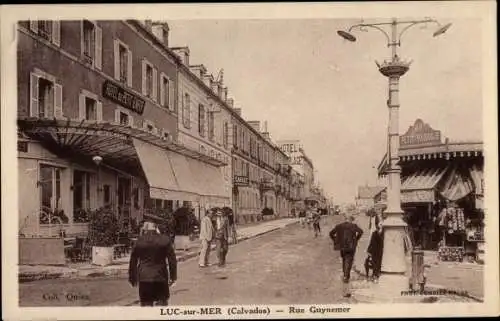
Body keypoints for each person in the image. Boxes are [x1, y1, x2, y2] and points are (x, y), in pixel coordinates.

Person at [128, 218, 177, 306]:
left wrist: (132, 278)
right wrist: (173, 277)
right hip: (160, 277)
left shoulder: (139, 241)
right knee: (161, 304)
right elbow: (172, 260)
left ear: (146, 226)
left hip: (144, 278)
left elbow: (133, 260)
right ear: (156, 226)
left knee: (146, 305)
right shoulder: (165, 240)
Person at [329, 214, 364, 297]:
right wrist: (356, 240)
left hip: (342, 247)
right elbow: (361, 232)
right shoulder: (353, 226)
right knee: (349, 261)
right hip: (351, 247)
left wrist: (336, 241)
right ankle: (346, 276)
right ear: (351, 219)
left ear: (345, 219)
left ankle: (345, 274)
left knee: (344, 260)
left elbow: (331, 234)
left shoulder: (339, 226)